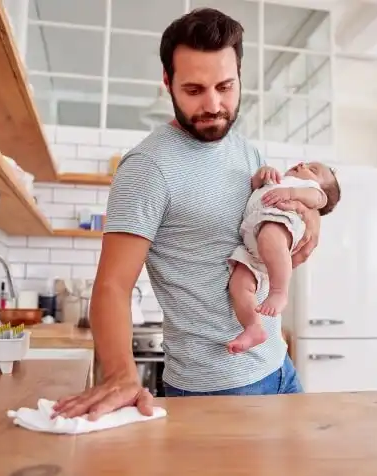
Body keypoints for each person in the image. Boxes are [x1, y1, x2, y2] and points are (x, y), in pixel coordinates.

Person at [52, 7, 322, 421]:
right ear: (167, 83)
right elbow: (111, 286)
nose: (214, 105)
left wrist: (311, 214)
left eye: (225, 86)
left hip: (279, 365)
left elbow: (270, 216)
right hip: (217, 387)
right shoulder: (148, 167)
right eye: (194, 90)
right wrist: (122, 375)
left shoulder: (245, 149)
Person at [226, 161, 341, 354]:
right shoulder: (278, 179)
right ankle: (253, 327)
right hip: (251, 239)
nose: (303, 164)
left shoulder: (306, 189)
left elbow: (318, 199)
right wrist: (262, 175)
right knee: (238, 283)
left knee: (270, 237)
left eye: (312, 170)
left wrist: (291, 194)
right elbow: (253, 187)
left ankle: (279, 291)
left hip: (280, 221)